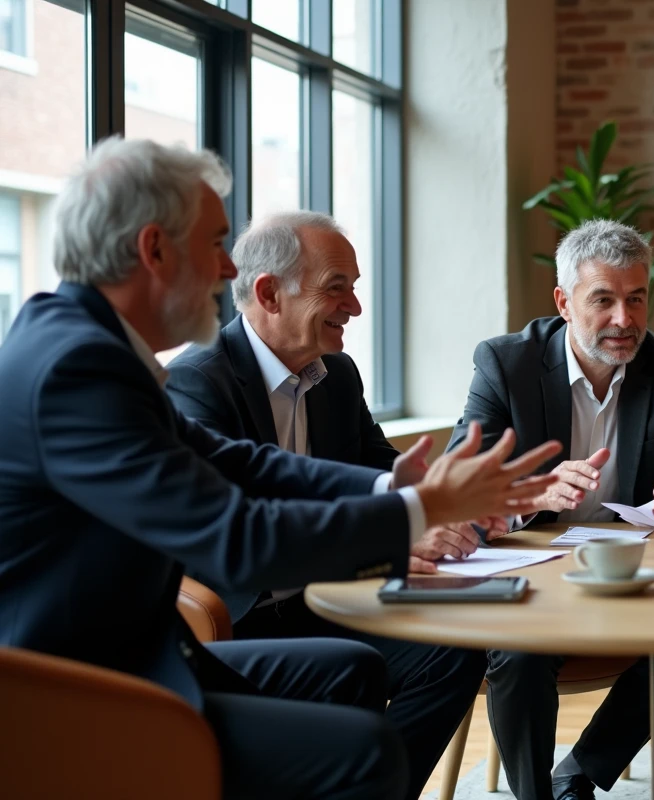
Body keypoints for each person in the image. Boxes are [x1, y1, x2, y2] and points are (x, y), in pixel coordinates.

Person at [0, 138, 561, 800]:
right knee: (364, 752)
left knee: (352, 670)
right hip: (69, 698)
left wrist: (398, 487)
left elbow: (240, 461)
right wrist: (418, 512)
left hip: (138, 657)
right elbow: (237, 542)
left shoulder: (85, 343)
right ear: (154, 249)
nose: (227, 266)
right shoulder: (80, 369)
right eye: (213, 242)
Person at [165, 210, 491, 799]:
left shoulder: (337, 374)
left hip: (326, 599)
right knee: (357, 684)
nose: (356, 308)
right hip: (236, 614)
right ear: (269, 292)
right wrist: (394, 533)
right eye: (336, 288)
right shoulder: (197, 380)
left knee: (452, 651)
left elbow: (374, 466)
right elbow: (243, 518)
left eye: (355, 288)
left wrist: (446, 500)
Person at [445, 219, 654, 800]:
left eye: (635, 299)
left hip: (629, 572)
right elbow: (456, 483)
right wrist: (528, 493)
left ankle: (578, 773)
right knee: (519, 654)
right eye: (603, 300)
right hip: (532, 573)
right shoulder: (508, 364)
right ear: (563, 301)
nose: (624, 320)